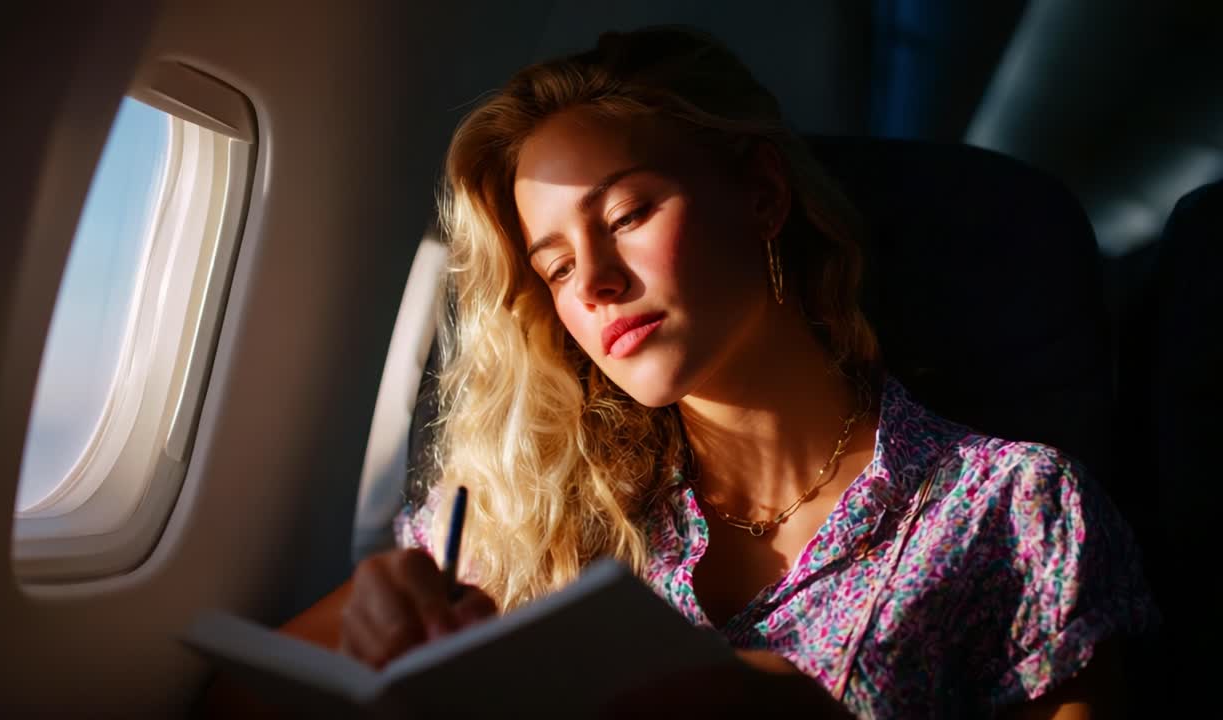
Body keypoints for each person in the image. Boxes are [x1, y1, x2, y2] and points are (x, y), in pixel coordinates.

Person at [337, 26, 1156, 718]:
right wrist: (372, 650)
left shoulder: (1012, 510)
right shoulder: (527, 511)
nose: (594, 284)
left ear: (762, 193)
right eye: (554, 268)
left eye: (627, 215)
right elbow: (239, 691)